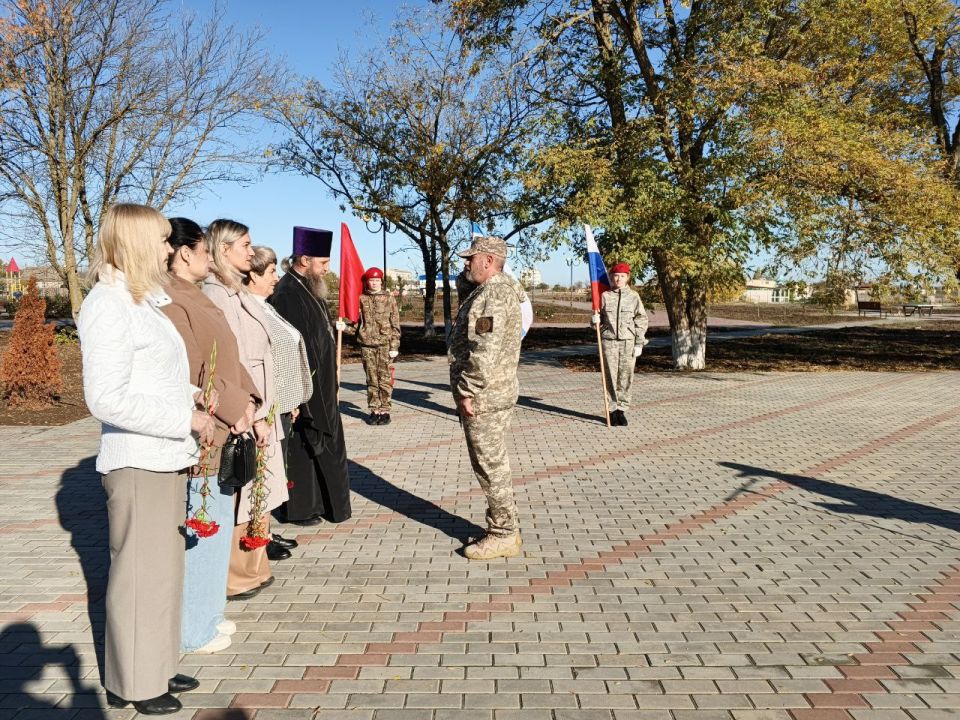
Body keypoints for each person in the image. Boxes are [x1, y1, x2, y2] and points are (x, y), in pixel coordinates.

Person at [77, 203, 213, 714]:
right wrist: (184, 418)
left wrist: (194, 396)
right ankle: (133, 682)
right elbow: (106, 398)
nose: (167, 249)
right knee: (139, 574)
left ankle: (154, 663)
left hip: (164, 453)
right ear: (135, 244)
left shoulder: (141, 301)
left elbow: (155, 377)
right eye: (159, 240)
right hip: (138, 459)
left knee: (162, 571)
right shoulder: (108, 305)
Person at [162, 218, 262, 653]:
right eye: (205, 251)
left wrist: (251, 401)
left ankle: (208, 614)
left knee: (216, 525)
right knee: (204, 527)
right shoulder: (172, 299)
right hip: (207, 425)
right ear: (186, 254)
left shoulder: (195, 295)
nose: (208, 259)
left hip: (226, 419)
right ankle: (193, 628)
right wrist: (237, 409)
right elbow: (193, 368)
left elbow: (228, 358)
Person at [202, 219, 289, 599]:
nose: (251, 252)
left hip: (260, 400)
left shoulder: (233, 289)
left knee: (260, 487)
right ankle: (237, 573)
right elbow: (229, 359)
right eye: (245, 245)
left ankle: (255, 564)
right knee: (246, 487)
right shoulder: (217, 293)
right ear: (224, 249)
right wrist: (249, 413)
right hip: (246, 406)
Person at [269, 226, 352, 526]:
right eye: (323, 263)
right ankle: (302, 509)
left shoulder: (311, 288)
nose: (327, 269)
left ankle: (325, 505)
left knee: (322, 443)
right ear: (305, 260)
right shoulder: (287, 293)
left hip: (322, 384)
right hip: (305, 386)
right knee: (303, 445)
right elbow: (291, 347)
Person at [448, 235, 524, 560]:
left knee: (490, 466)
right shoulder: (496, 289)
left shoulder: (492, 296)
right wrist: (466, 280)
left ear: (489, 261)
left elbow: (484, 351)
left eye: (471, 258)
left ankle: (504, 533)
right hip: (495, 392)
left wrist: (468, 390)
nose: (466, 264)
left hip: (484, 396)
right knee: (492, 464)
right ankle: (505, 527)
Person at [244, 245, 314, 555]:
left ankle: (266, 532)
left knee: (273, 472)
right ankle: (257, 537)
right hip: (266, 408)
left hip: (281, 405)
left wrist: (292, 400)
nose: (276, 277)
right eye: (271, 272)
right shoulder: (250, 309)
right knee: (263, 473)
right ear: (253, 275)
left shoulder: (266, 306)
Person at [591, 262, 649, 427]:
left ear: (627, 278)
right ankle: (611, 410)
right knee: (610, 376)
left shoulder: (634, 297)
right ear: (611, 277)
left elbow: (641, 319)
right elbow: (598, 321)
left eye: (622, 276)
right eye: (616, 276)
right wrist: (594, 320)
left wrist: (639, 343)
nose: (619, 279)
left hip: (628, 342)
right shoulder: (605, 296)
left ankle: (621, 410)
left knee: (626, 376)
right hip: (609, 341)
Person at [341, 267, 400, 425]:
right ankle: (374, 410)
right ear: (367, 282)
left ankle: (385, 410)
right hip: (366, 345)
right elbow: (357, 325)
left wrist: (394, 346)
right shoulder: (361, 299)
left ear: (381, 282)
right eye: (371, 280)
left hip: (385, 345)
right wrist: (344, 327)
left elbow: (395, 325)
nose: (374, 283)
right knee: (371, 379)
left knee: (385, 379)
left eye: (376, 280)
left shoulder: (389, 299)